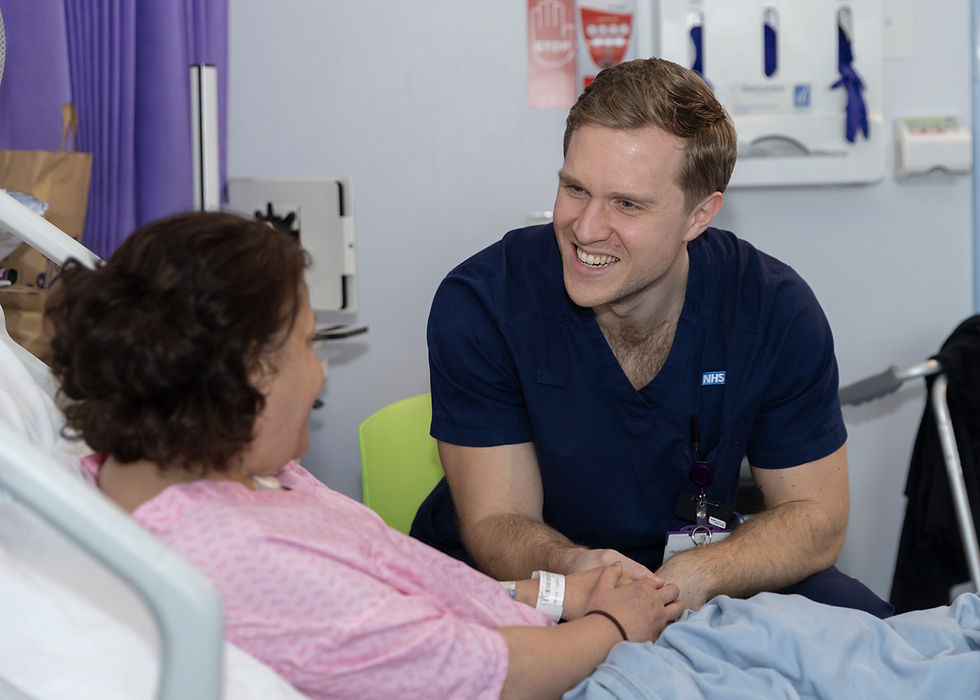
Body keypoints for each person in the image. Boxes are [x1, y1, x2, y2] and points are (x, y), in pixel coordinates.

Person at [46, 211, 685, 699]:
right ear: (249, 372)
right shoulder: (240, 559)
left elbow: (415, 594)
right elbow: (485, 673)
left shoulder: (228, 476)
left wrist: (560, 596)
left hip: (556, 630)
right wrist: (613, 623)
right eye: (306, 343)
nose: (318, 375)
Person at [410, 57, 893, 618]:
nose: (586, 228)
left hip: (697, 569)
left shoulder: (771, 310)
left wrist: (698, 575)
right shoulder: (485, 303)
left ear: (698, 216)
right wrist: (582, 572)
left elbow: (816, 518)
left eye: (628, 204)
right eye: (575, 189)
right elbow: (498, 522)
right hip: (530, 578)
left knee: (875, 636)